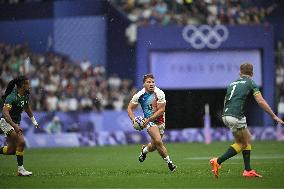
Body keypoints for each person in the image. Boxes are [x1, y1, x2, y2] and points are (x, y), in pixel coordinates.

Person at [210, 63, 284, 178]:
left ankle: (247, 170)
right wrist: (273, 115)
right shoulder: (250, 82)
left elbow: (226, 101)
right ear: (252, 73)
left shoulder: (232, 84)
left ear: (240, 72)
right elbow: (260, 101)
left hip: (226, 115)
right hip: (236, 116)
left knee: (245, 140)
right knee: (243, 142)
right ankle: (218, 161)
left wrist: (228, 114)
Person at [127, 73, 177, 172]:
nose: (151, 84)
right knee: (158, 141)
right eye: (148, 82)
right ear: (143, 84)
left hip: (160, 121)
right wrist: (133, 119)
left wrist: (149, 119)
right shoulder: (139, 95)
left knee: (154, 146)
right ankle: (170, 163)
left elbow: (161, 110)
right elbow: (129, 108)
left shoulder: (159, 93)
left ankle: (144, 150)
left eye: (153, 82)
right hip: (149, 122)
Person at [0, 76, 39, 176]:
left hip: (15, 123)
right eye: (27, 84)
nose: (29, 86)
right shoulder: (11, 97)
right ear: (22, 85)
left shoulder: (25, 95)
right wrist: (14, 126)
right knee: (21, 141)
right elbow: (5, 113)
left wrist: (34, 121)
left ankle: (20, 170)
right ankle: (21, 170)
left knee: (11, 150)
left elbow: (27, 108)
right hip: (6, 122)